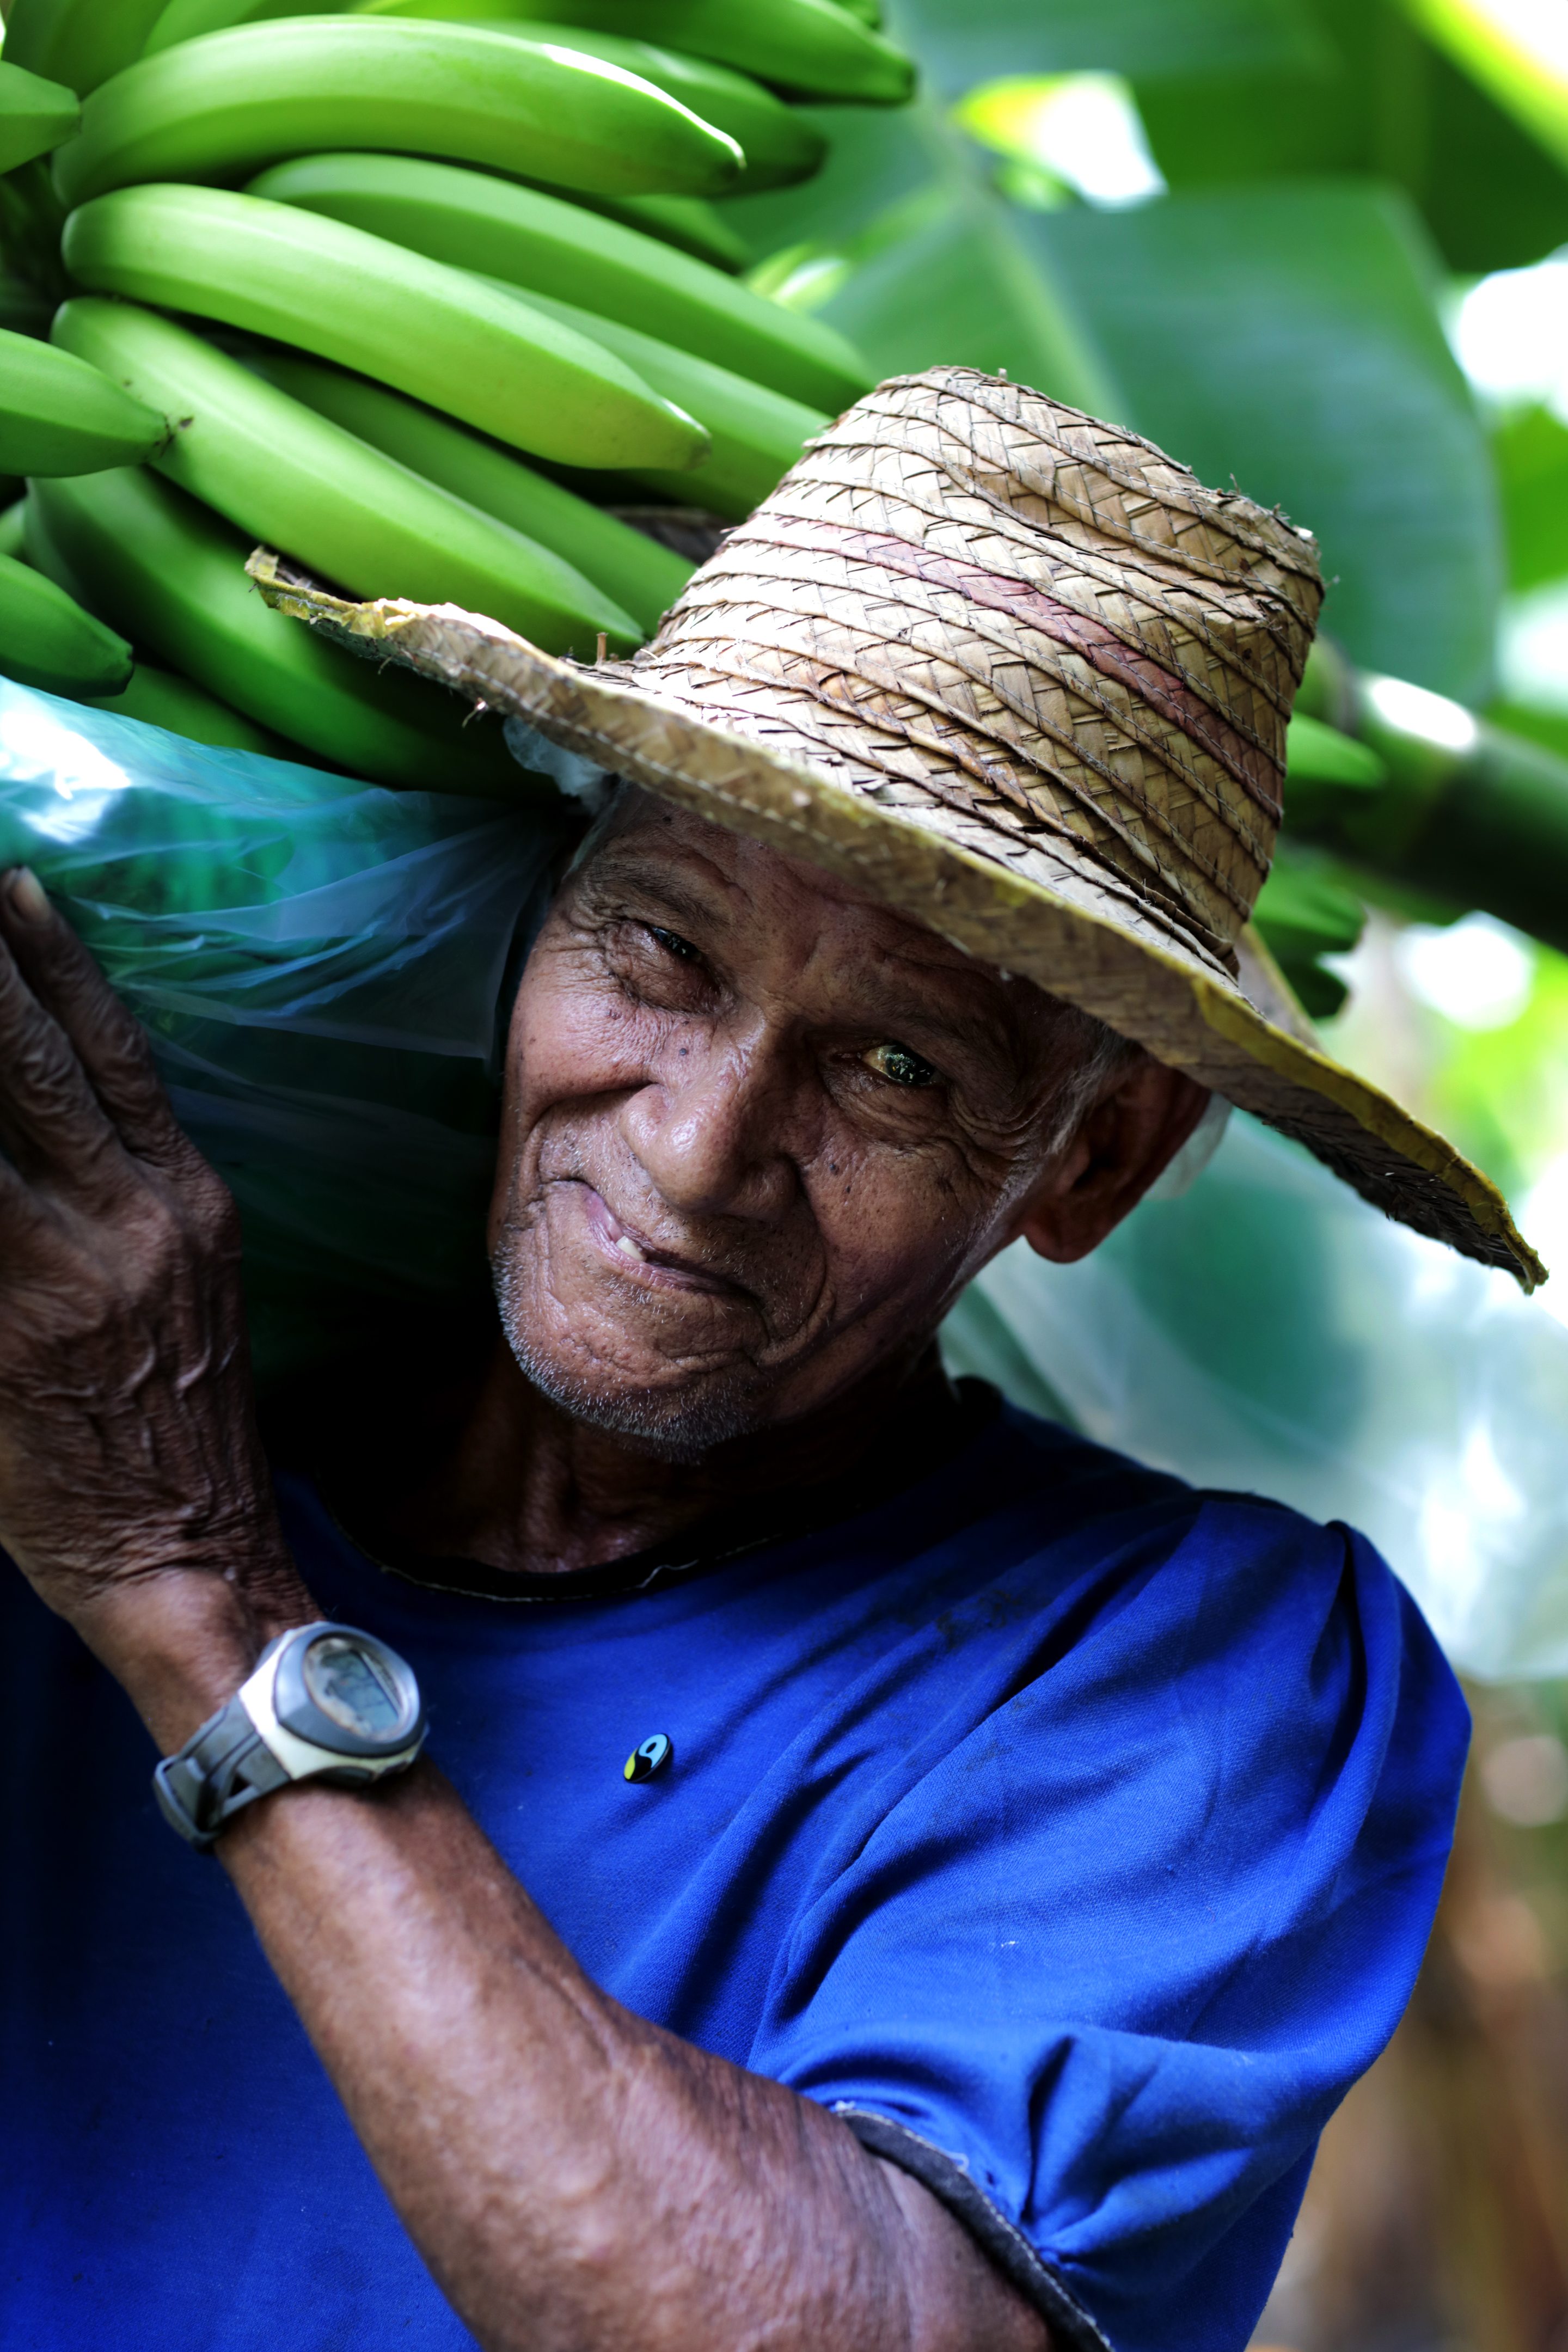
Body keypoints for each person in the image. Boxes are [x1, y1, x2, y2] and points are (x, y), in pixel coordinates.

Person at [0, 370, 1537, 2352]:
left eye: (894, 1068)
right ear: (533, 923)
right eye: (659, 952)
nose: (699, 1150)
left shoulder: (1191, 1669)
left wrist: (199, 1610)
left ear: (1092, 1162)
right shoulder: (97, 1389)